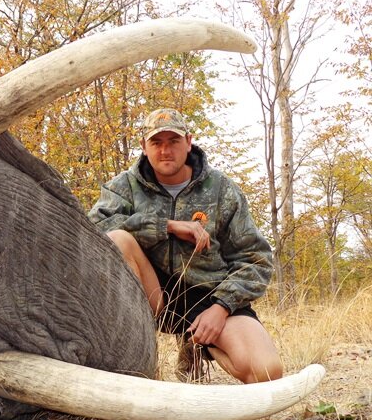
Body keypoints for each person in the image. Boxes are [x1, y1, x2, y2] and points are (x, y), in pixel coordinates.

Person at [88, 108, 283, 384]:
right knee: (117, 240)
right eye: (156, 142)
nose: (165, 150)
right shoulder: (124, 186)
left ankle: (200, 344)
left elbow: (256, 259)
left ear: (189, 142)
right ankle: (130, 360)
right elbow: (93, 230)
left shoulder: (222, 189)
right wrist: (167, 226)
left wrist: (221, 307)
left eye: (174, 141)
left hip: (210, 298)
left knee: (266, 373)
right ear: (144, 147)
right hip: (152, 295)